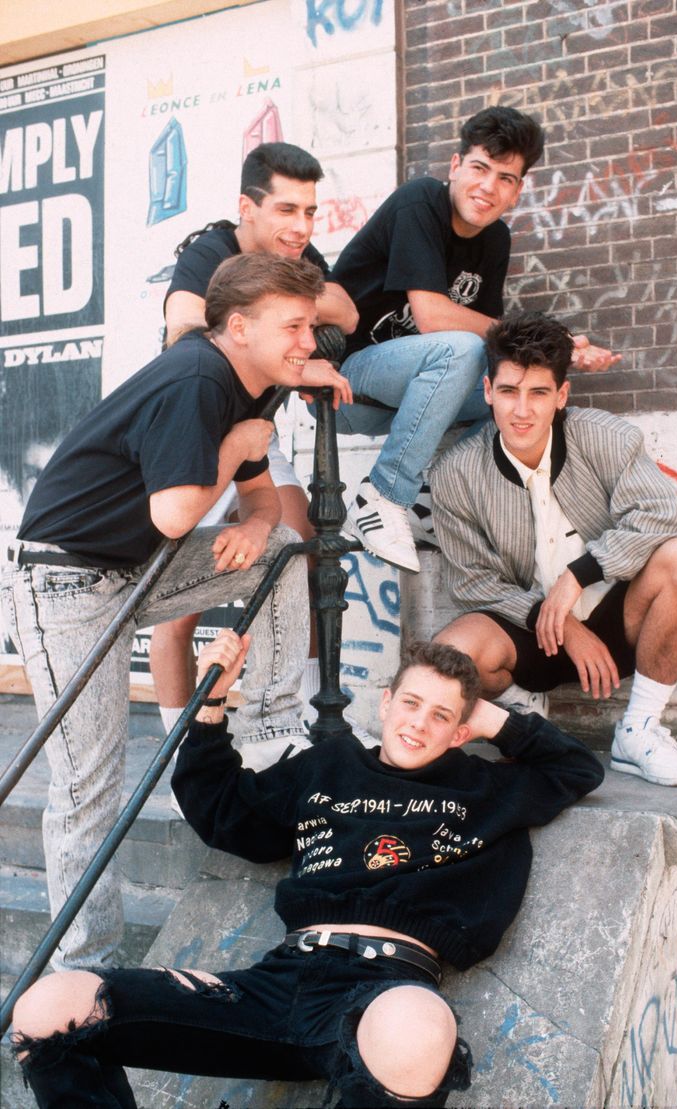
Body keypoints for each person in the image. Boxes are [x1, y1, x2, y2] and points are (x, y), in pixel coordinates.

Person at [11, 627, 604, 1107]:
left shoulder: (486, 789)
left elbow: (576, 769)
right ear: (387, 701)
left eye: (442, 716)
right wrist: (212, 705)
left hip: (385, 992)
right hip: (276, 982)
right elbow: (224, 815)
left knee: (419, 1030)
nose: (419, 724)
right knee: (49, 1007)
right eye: (412, 703)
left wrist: (490, 715)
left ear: (462, 731)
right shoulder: (329, 765)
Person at [1, 254, 351, 970]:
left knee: (283, 542)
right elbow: (176, 513)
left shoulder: (244, 384)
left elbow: (256, 502)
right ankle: (82, 973)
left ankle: (269, 727)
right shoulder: (198, 381)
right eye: (294, 327)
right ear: (238, 326)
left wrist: (254, 523)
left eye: (310, 328)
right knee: (87, 785)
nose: (308, 344)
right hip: (64, 581)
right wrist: (237, 447)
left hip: (130, 570)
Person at [431, 311, 677, 787]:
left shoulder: (605, 436)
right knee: (450, 653)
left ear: (561, 396)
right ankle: (521, 712)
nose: (522, 411)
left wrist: (579, 575)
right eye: (508, 392)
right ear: (487, 391)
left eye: (538, 393)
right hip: (528, 630)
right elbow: (473, 582)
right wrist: (559, 619)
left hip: (616, 621)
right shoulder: (455, 473)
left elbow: (668, 516)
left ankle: (639, 729)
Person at [331, 105, 620, 573]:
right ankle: (383, 495)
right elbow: (430, 316)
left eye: (505, 178)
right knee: (460, 349)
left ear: (517, 190)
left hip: (413, 394)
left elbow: (495, 350)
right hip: (348, 383)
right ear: (455, 166)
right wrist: (536, 331)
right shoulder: (420, 202)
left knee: (506, 389)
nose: (488, 187)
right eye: (480, 168)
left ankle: (432, 502)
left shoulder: (495, 241)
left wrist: (562, 351)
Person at [152, 141, 358, 741]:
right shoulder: (209, 252)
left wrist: (290, 345)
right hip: (193, 436)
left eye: (310, 212)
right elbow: (186, 333)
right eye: (286, 211)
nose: (301, 228)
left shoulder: (299, 254)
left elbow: (344, 310)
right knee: (178, 611)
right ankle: (181, 749)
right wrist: (286, 348)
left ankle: (290, 725)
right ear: (247, 206)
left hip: (253, 441)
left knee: (298, 546)